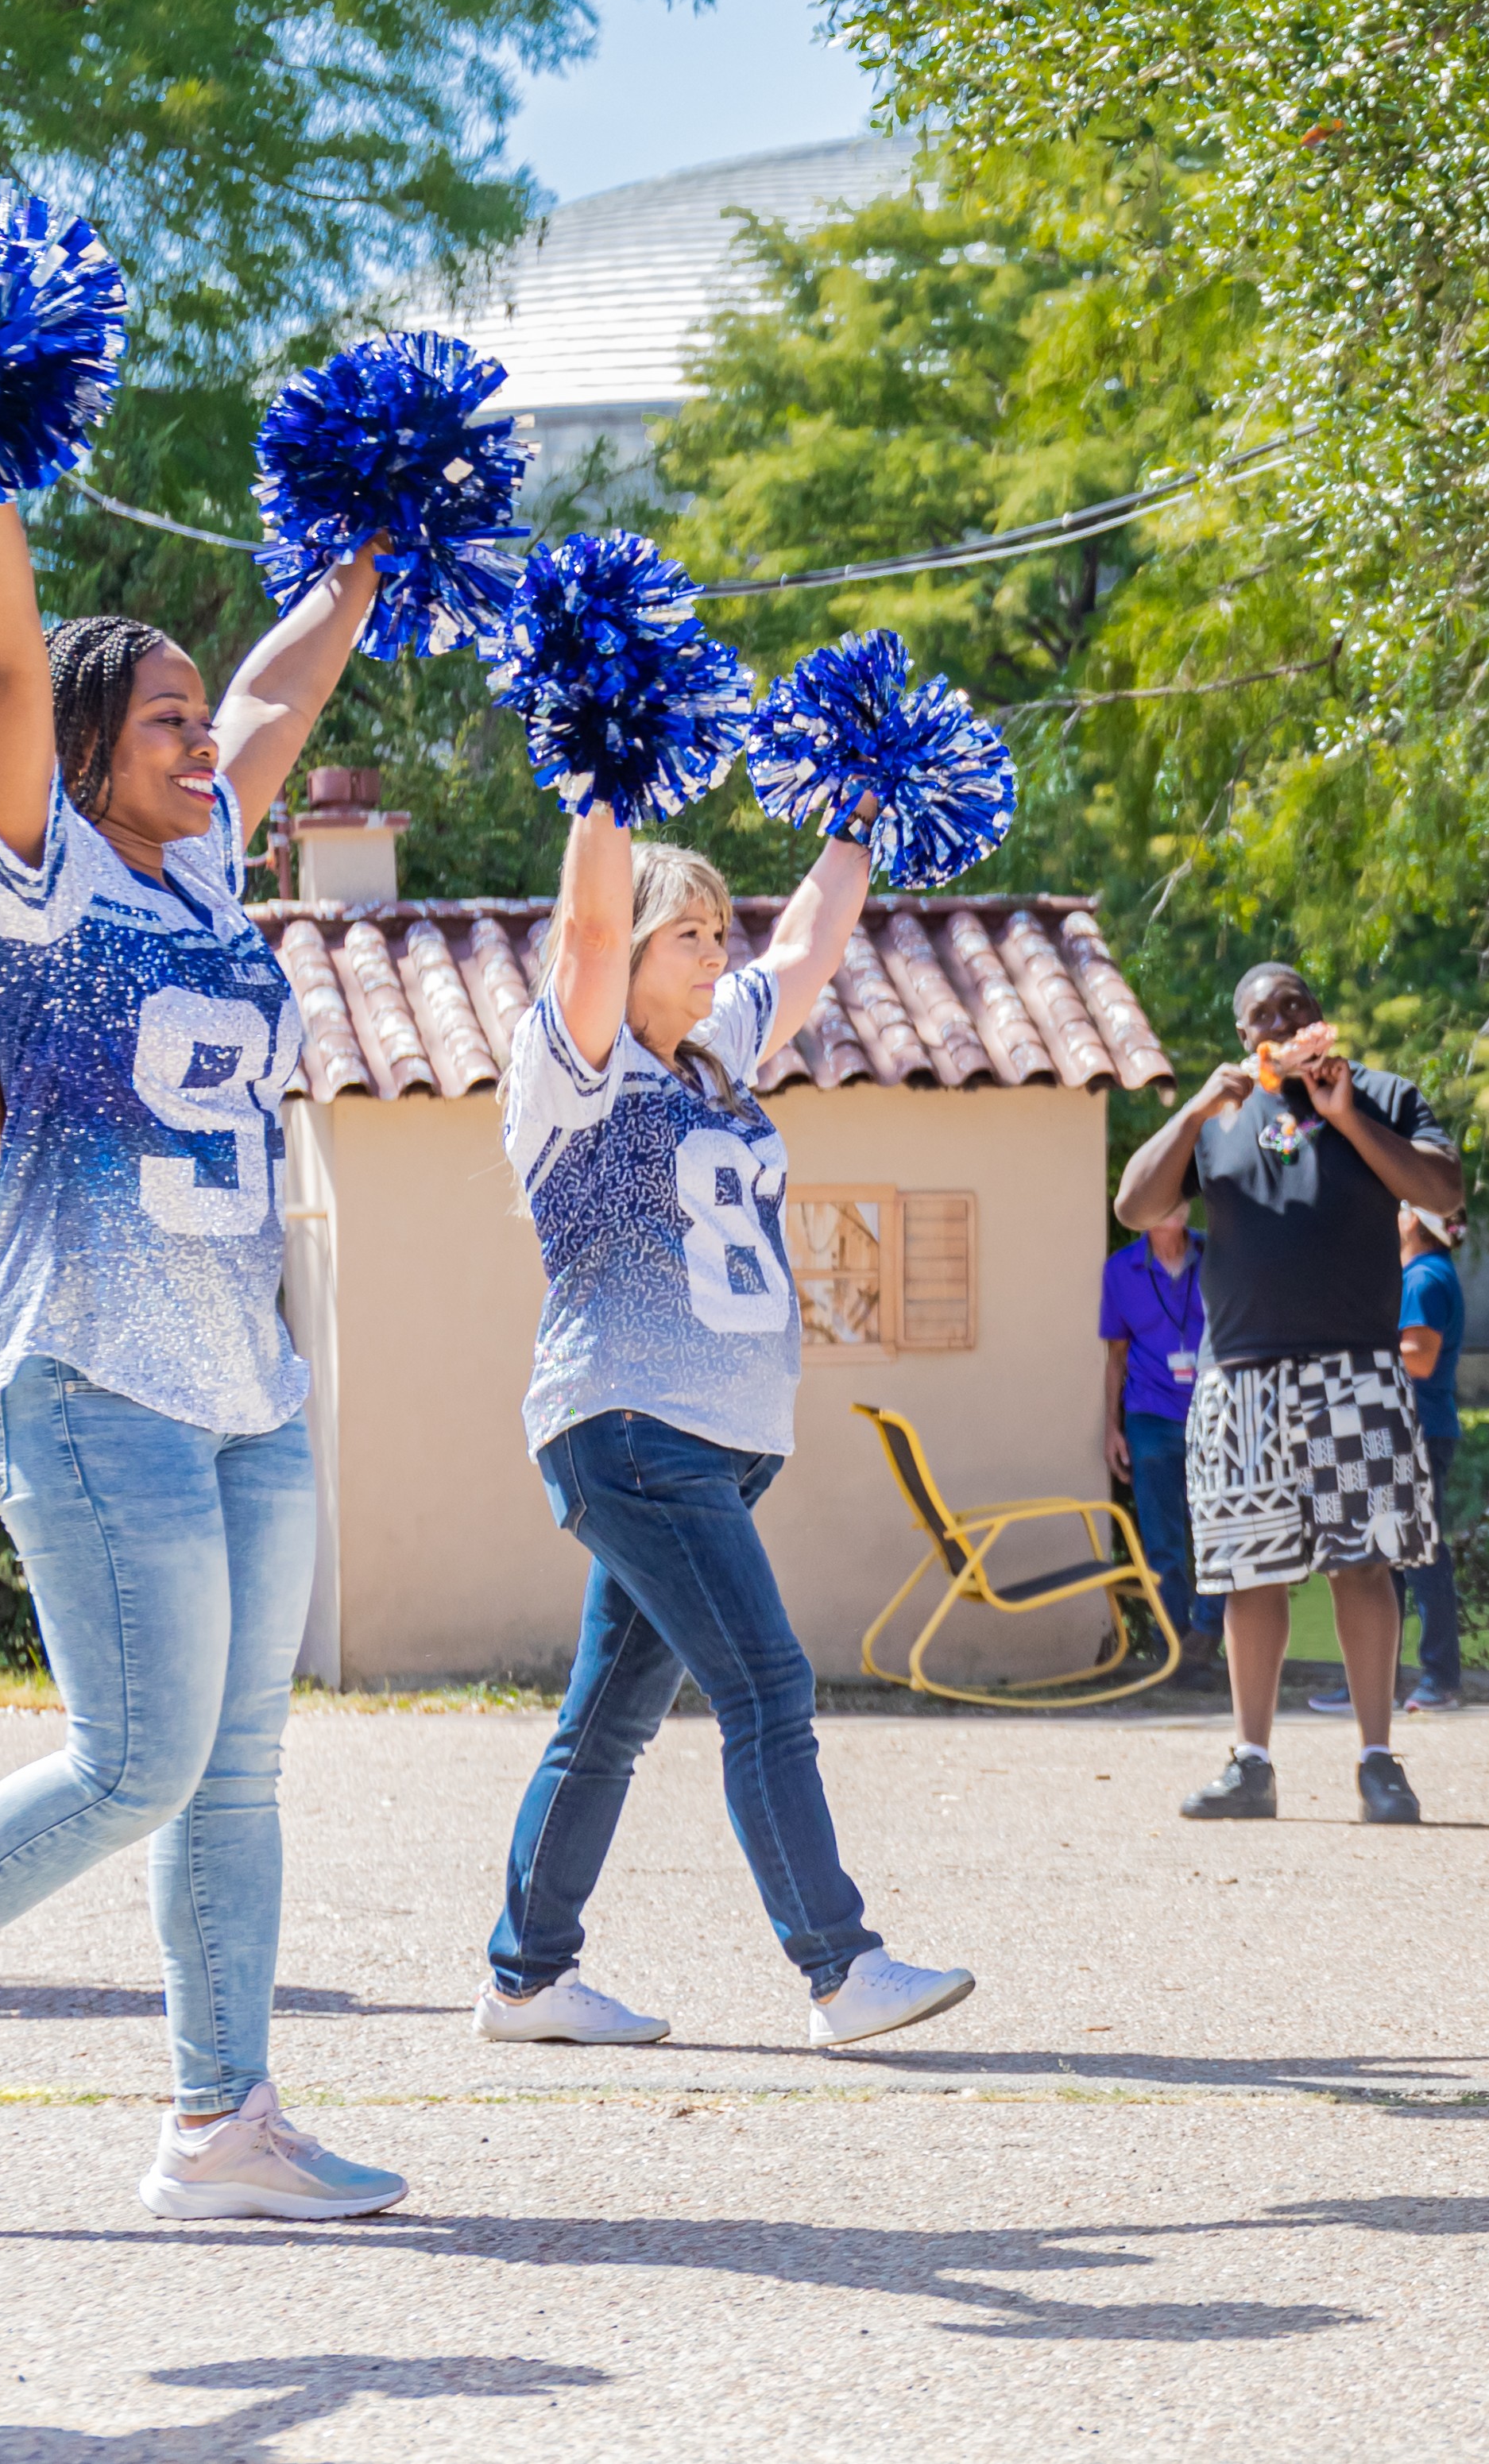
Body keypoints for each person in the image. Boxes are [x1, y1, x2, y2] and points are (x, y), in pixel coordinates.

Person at [0, 500, 400, 2217]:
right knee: (135, 1763)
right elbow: (3, 654)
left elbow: (283, 695)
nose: (206, 741)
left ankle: (218, 2122)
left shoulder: (198, 861)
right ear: (89, 750)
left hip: (244, 1391)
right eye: (165, 720)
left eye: (202, 720)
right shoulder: (28, 878)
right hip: (90, 1378)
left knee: (236, 1766)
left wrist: (361, 571)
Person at [474, 810, 973, 2050]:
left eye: (716, 931)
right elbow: (588, 926)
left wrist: (860, 816)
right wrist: (603, 776)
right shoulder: (573, 1071)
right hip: (632, 1426)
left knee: (608, 1718)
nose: (715, 953)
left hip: (709, 1441)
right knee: (766, 1680)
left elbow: (806, 948)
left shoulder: (715, 1056)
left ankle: (527, 1979)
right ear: (623, 952)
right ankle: (838, 1967)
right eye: (685, 934)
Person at [1111, 964, 1468, 1826]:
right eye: (1262, 1014)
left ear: (1321, 1019)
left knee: (1364, 1561)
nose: (1282, 1021)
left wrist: (1346, 1117)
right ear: (1243, 1036)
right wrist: (1194, 1108)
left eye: (1296, 1006)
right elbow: (1132, 1205)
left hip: (1354, 1369)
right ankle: (1252, 1762)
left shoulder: (1379, 1094)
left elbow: (1441, 1192)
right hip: (1240, 1376)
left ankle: (1379, 1760)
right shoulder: (1220, 1119)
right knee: (1248, 1571)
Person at [1096, 1213, 1213, 1677]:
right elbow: (1115, 1356)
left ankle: (1205, 1635)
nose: (1173, 1206)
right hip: (1149, 1417)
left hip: (1214, 1413)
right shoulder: (1120, 1269)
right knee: (1163, 1544)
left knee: (1218, 1534)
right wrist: (1112, 1428)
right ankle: (1176, 1651)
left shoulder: (1217, 1256)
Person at [1392, 1213, 1471, 1715]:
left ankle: (1440, 1679)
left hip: (1418, 1428)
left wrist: (1354, 1346)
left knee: (1422, 1557)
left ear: (1415, 1223)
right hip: (1411, 1428)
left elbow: (1418, 1359)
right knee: (1389, 1561)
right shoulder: (1422, 1274)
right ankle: (1372, 1680)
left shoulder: (1423, 1277)